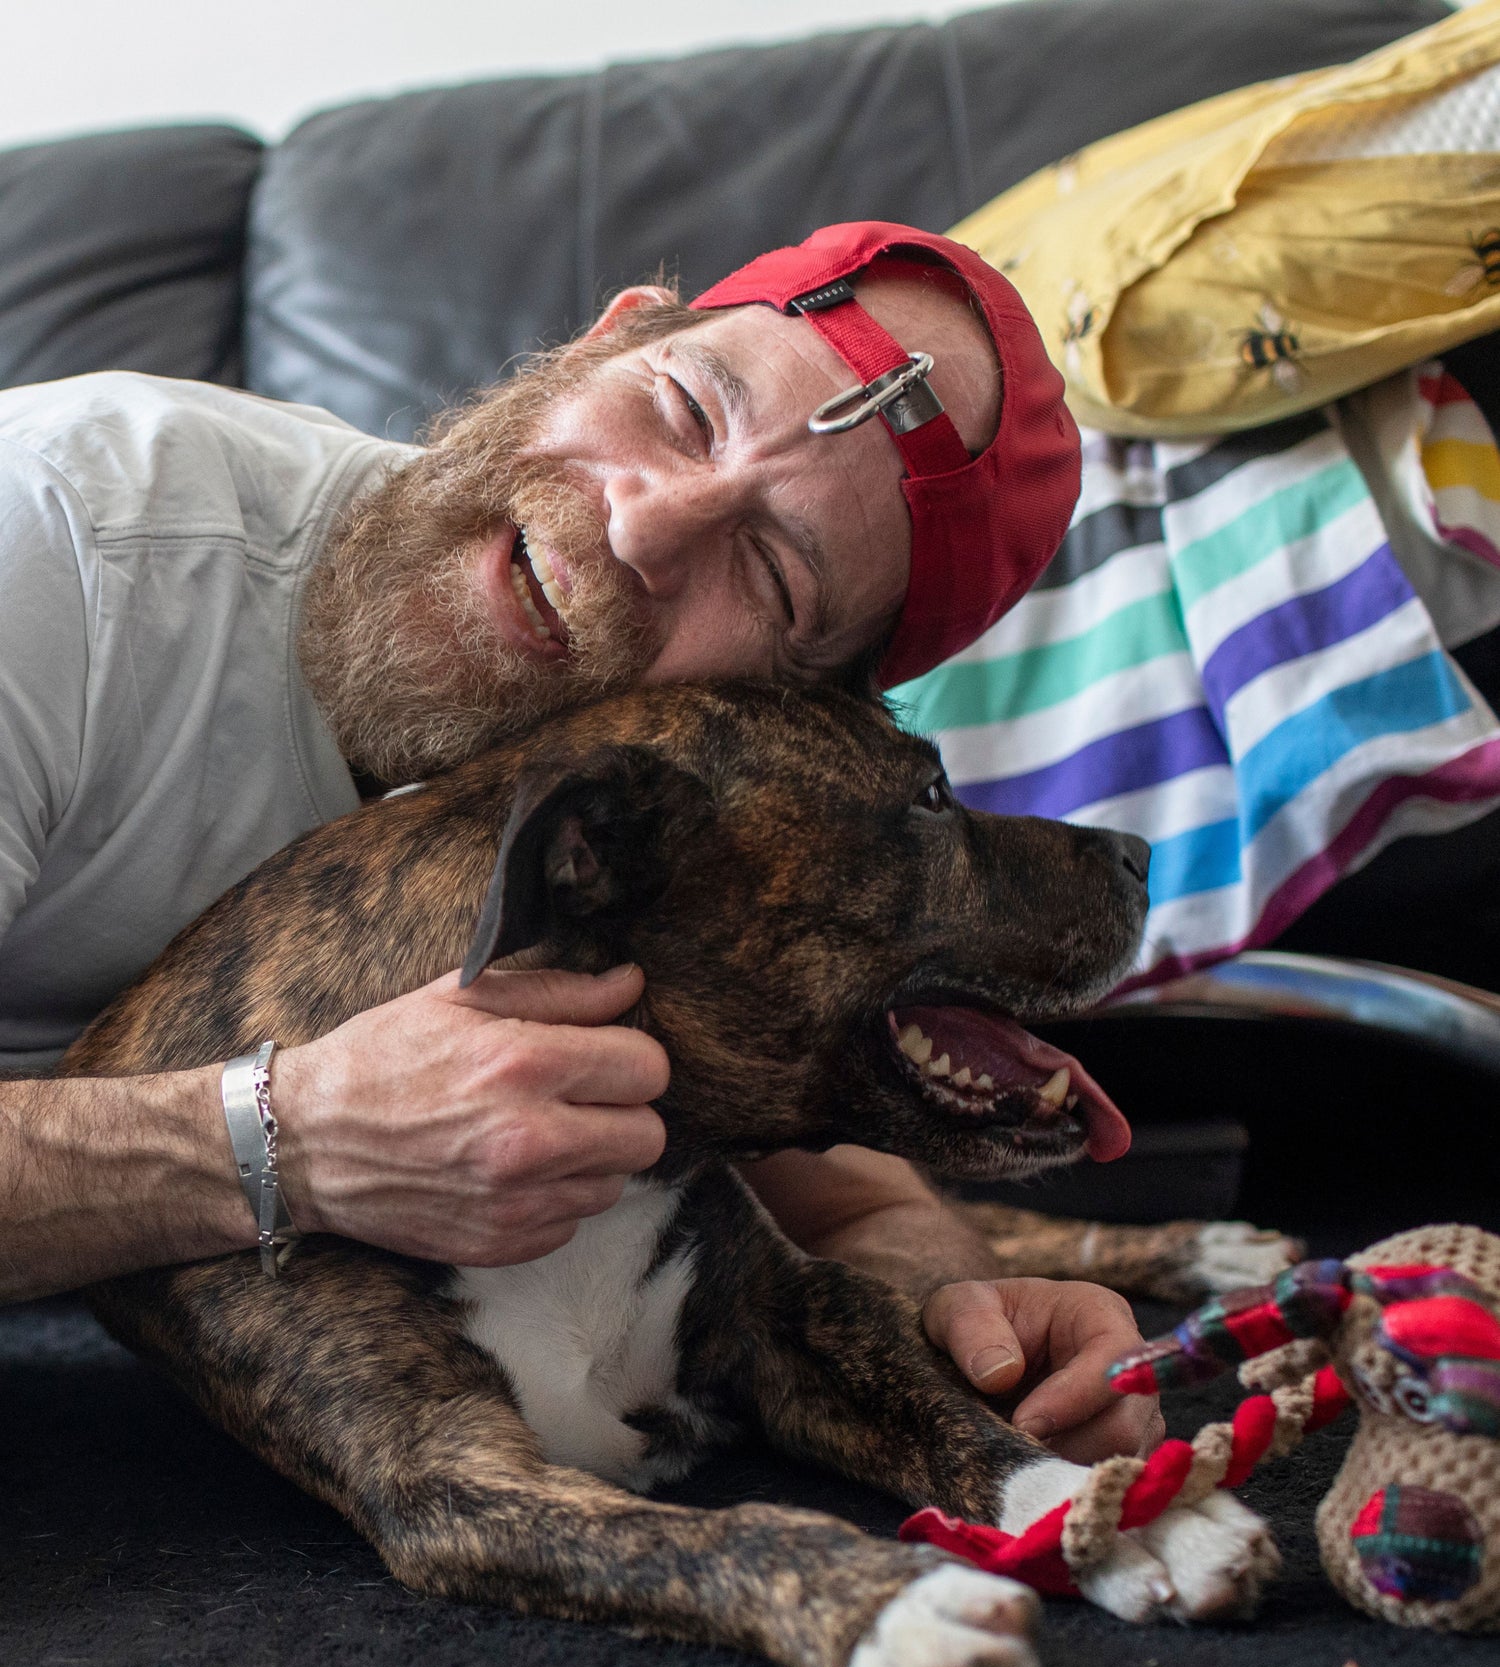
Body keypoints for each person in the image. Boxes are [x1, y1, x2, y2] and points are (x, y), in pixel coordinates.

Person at [0, 220, 1161, 1462]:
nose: (642, 528)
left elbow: (810, 1155)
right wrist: (295, 1136)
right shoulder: (69, 539)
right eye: (682, 409)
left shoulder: (635, 819)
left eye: (768, 575)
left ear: (790, 715)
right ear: (602, 341)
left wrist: (947, 1301)